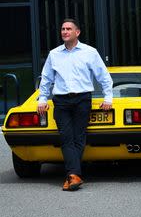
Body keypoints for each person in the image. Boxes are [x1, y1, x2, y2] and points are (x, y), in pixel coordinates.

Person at [37, 18, 113, 191]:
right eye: (63, 29)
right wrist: (42, 99)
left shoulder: (90, 52)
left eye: (68, 29)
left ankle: (72, 176)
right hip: (61, 101)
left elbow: (103, 76)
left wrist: (108, 98)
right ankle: (74, 175)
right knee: (66, 138)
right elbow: (46, 78)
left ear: (77, 32)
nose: (64, 32)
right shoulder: (54, 54)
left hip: (82, 100)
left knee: (79, 138)